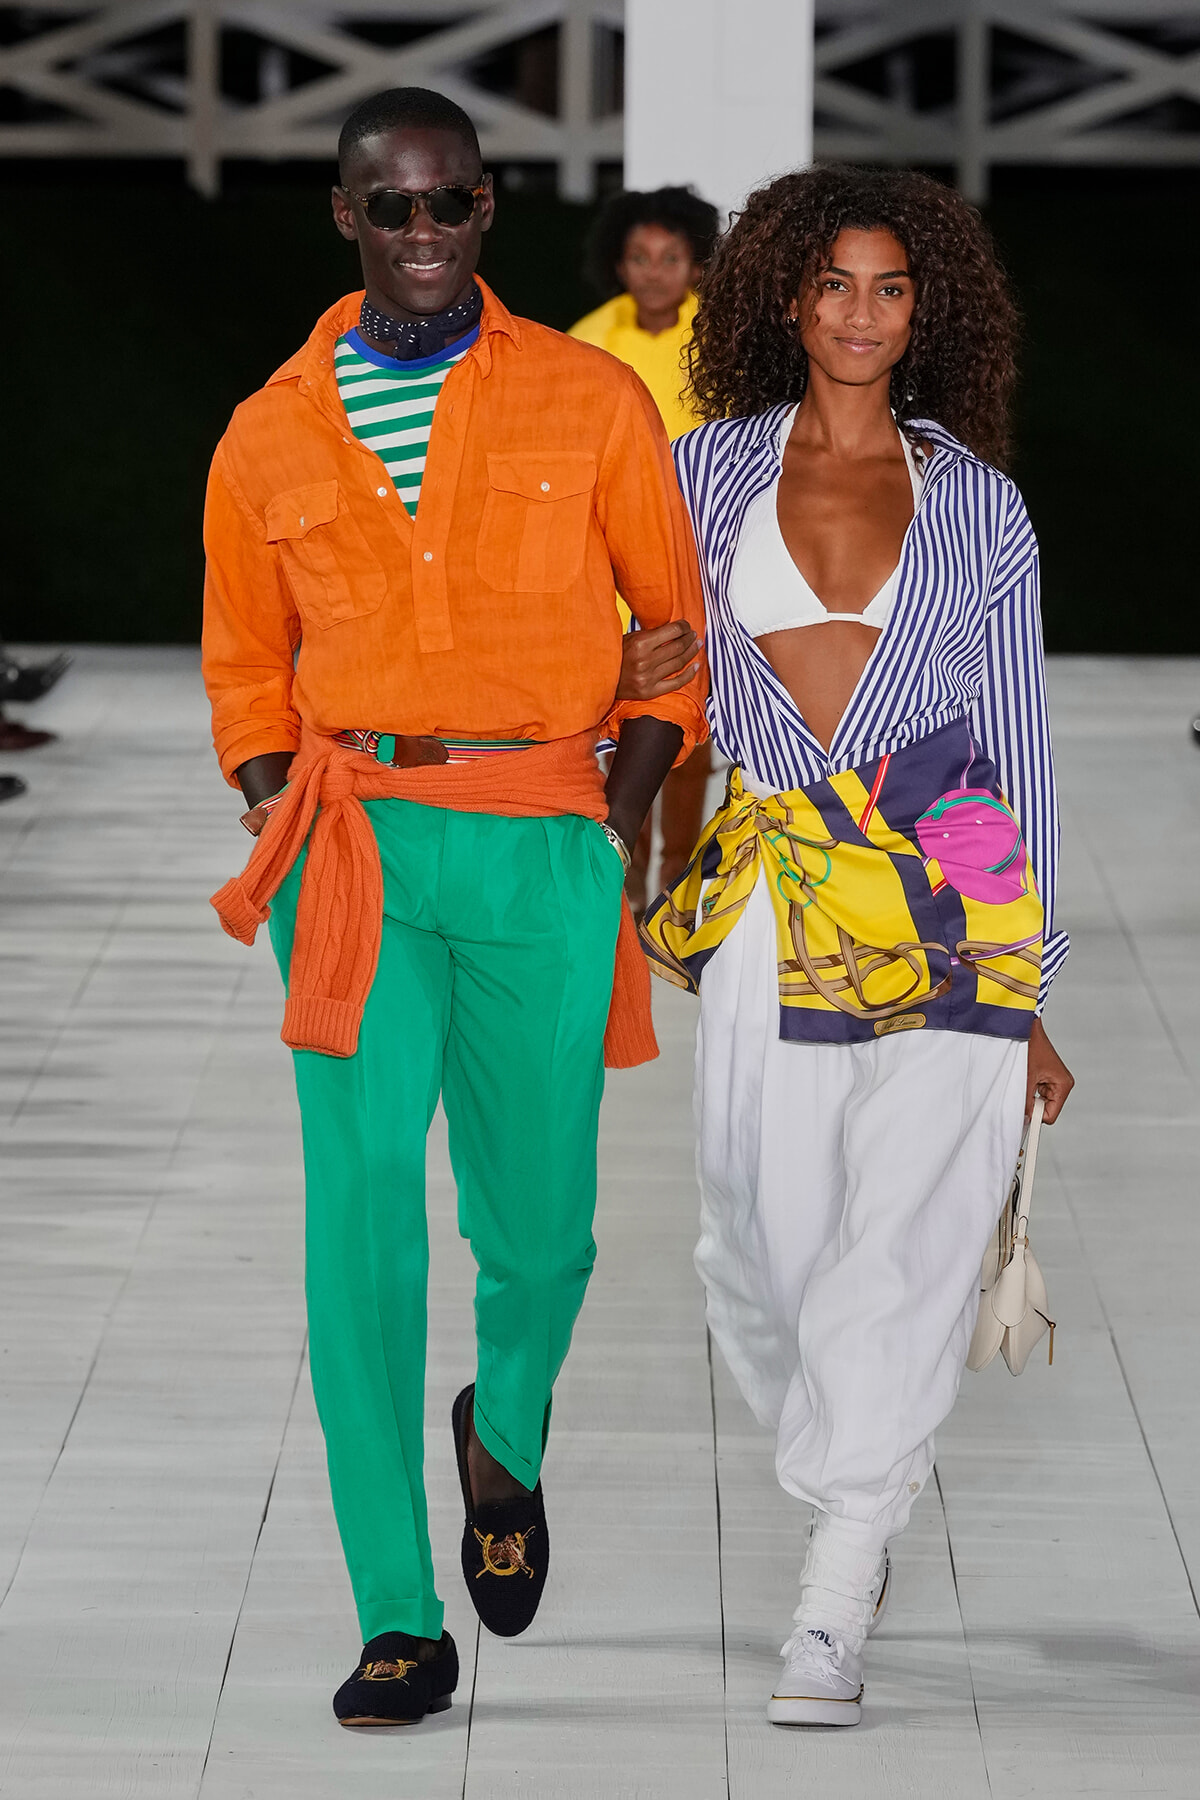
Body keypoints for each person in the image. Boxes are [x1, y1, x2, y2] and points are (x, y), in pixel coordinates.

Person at [201, 87, 706, 1728]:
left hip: (543, 837)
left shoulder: (588, 395)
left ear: (487, 212)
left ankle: (508, 1431)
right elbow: (241, 671)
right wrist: (281, 813)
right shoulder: (269, 429)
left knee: (542, 1228)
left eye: (450, 204)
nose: (422, 232)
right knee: (358, 1227)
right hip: (355, 858)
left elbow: (672, 627)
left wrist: (617, 822)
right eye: (389, 207)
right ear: (344, 218)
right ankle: (397, 1613)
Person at [641, 165, 1074, 1728]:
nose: (861, 314)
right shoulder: (702, 474)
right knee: (760, 1227)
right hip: (772, 880)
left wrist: (1036, 990)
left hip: (949, 878)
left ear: (927, 308)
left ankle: (842, 1573)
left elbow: (1015, 743)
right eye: (833, 283)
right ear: (780, 297)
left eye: (892, 287)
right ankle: (856, 1471)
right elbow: (644, 680)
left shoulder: (978, 501)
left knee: (914, 1221)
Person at [569, 188, 720, 917]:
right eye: (640, 257)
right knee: (618, 732)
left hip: (700, 567)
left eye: (671, 257)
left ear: (696, 261)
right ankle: (622, 875)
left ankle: (680, 884)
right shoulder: (587, 341)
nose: (656, 272)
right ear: (617, 263)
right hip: (609, 571)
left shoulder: (723, 340)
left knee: (689, 733)